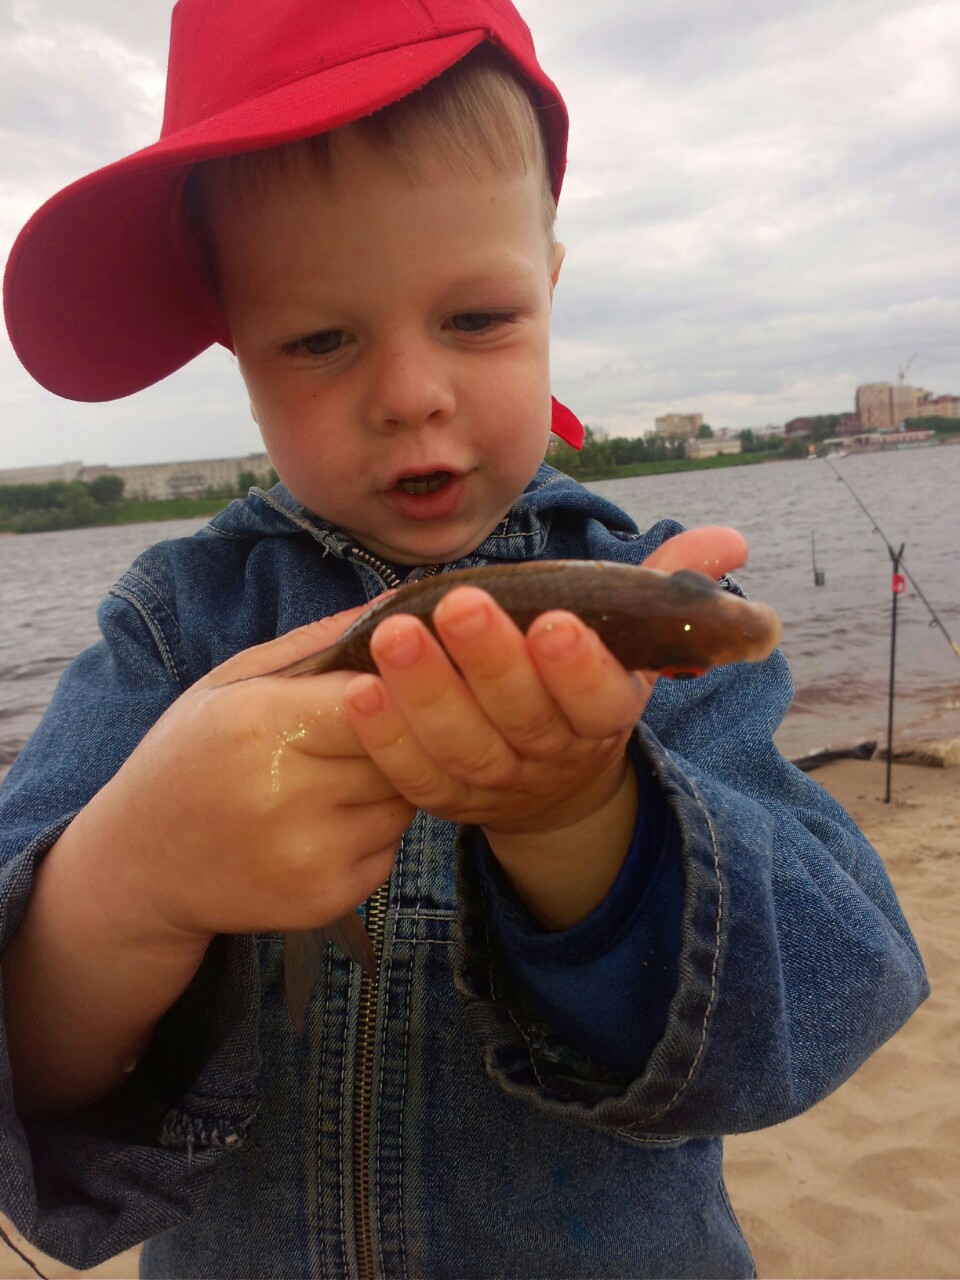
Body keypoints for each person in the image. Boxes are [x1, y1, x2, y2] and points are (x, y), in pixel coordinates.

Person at [0, 1, 927, 1277]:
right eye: (319, 338)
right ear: (236, 343)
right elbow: (36, 1071)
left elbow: (839, 990)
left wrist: (579, 817)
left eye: (478, 318)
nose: (411, 393)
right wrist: (127, 882)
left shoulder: (651, 620)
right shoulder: (173, 628)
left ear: (548, 283)